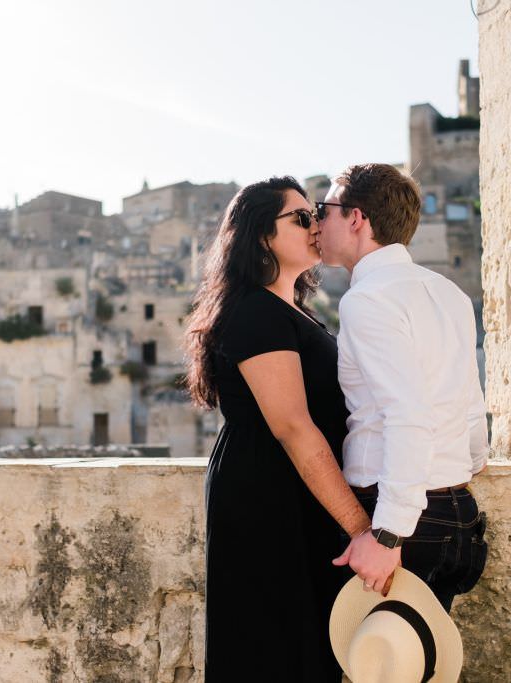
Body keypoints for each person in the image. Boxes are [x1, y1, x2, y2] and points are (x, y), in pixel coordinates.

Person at [184, 176, 372, 681]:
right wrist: (362, 528)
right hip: (269, 492)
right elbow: (292, 426)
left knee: (305, 645)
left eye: (316, 214)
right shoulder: (254, 312)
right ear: (261, 235)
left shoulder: (292, 313)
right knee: (274, 647)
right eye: (300, 217)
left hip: (297, 491)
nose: (316, 225)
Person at [316, 163, 490, 613]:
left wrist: (388, 533)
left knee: (378, 661)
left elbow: (407, 415)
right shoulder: (447, 291)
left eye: (325, 209)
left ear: (356, 218)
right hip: (455, 509)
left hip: (399, 521)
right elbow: (471, 401)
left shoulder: (368, 299)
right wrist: (463, 463)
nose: (318, 221)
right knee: (420, 661)